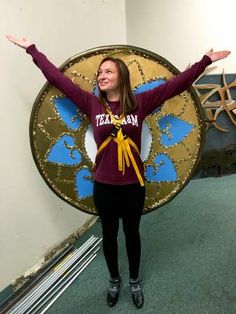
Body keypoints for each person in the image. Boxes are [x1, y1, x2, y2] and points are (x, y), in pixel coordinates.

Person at [6, 34, 230, 309]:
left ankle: (134, 280)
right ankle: (114, 280)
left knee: (132, 234)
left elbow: (175, 86)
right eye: (100, 72)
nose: (101, 75)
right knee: (109, 235)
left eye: (108, 71)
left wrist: (205, 61)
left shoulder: (140, 103)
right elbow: (58, 80)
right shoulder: (92, 105)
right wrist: (32, 50)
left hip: (133, 185)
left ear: (121, 77)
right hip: (104, 185)